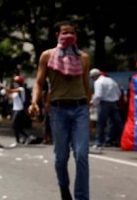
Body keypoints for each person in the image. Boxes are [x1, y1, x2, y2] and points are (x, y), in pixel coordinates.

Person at [29, 20, 91, 200]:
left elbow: (86, 85)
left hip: (80, 109)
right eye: (64, 32)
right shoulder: (47, 56)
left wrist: (87, 107)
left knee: (81, 155)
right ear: (57, 35)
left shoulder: (84, 58)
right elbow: (39, 83)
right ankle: (64, 188)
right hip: (58, 110)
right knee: (60, 159)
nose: (68, 36)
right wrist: (34, 102)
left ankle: (81, 197)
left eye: (72, 32)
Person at [89, 68, 122, 153]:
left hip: (104, 104)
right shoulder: (110, 80)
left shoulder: (98, 82)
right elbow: (119, 92)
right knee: (116, 123)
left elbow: (98, 95)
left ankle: (98, 143)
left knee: (100, 124)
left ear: (94, 76)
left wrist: (92, 102)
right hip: (114, 103)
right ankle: (119, 140)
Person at [7, 76, 32, 145]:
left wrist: (5, 88)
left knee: (15, 125)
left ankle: (21, 139)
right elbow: (9, 97)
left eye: (15, 82)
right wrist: (6, 93)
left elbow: (10, 90)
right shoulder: (15, 91)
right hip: (15, 109)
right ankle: (25, 137)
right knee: (16, 126)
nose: (14, 84)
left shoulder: (21, 89)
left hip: (20, 109)